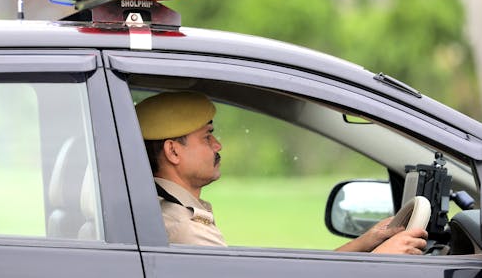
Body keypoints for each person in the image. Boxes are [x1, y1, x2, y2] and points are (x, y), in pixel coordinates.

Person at [135, 91, 428, 253]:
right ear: (173, 151)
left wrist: (365, 243)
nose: (218, 144)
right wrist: (380, 262)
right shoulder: (184, 229)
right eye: (207, 137)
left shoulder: (170, 214)